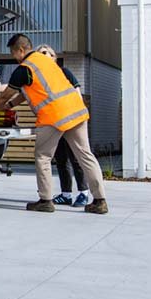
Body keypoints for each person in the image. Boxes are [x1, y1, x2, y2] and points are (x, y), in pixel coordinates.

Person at [0, 33, 108, 214]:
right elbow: (25, 94)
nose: (14, 58)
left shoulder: (25, 68)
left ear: (21, 50)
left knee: (43, 157)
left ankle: (45, 201)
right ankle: (100, 201)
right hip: (76, 111)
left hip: (53, 116)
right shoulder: (48, 62)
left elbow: (4, 96)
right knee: (85, 156)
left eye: (13, 53)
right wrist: (8, 106)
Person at [35, 45, 91, 208]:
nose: (44, 55)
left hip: (71, 120)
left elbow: (77, 94)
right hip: (53, 123)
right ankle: (66, 194)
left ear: (54, 58)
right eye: (41, 53)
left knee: (76, 157)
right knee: (61, 158)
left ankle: (83, 193)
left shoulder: (64, 73)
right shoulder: (39, 79)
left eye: (47, 53)